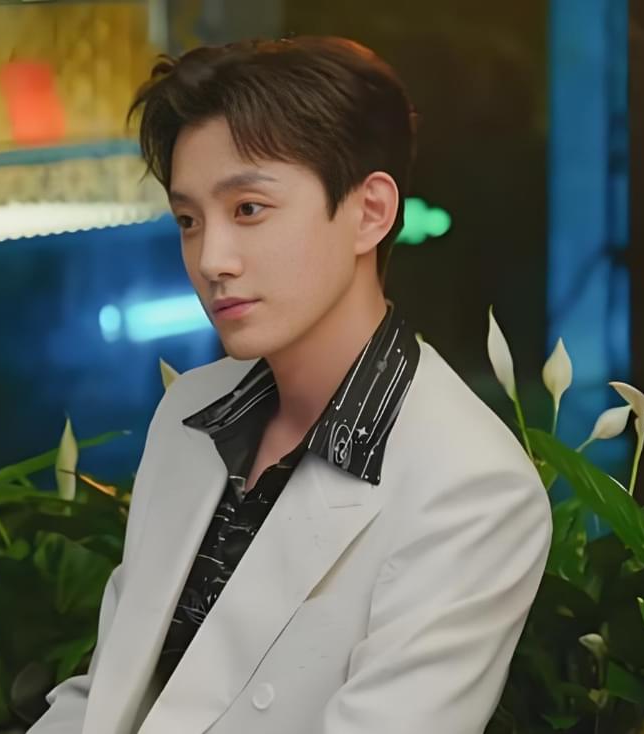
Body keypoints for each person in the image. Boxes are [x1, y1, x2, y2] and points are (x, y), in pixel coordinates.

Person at [29, 35, 552, 734]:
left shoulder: (471, 489)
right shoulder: (192, 410)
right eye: (188, 220)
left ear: (370, 212)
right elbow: (108, 696)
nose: (211, 259)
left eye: (248, 209)